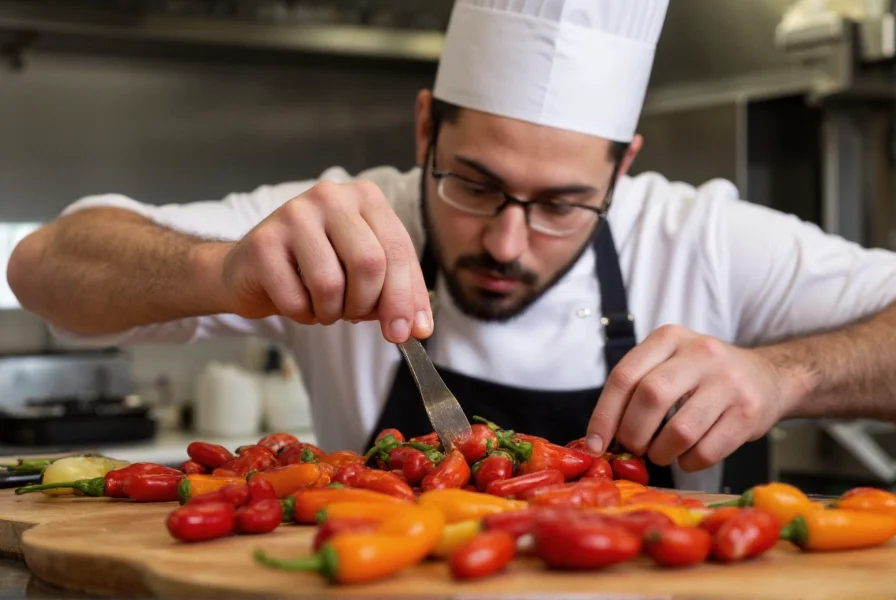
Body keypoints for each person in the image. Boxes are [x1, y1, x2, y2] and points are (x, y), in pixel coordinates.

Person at [8, 0, 896, 494]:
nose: (507, 241)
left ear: (623, 169)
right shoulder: (342, 215)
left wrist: (790, 376)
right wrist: (223, 269)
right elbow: (42, 265)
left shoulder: (702, 237)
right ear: (426, 126)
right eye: (472, 183)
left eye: (563, 205)